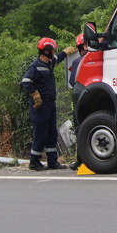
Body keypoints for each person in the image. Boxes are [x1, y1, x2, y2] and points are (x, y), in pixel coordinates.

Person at [21, 37, 76, 171]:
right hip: (40, 106)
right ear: (46, 51)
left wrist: (65, 52)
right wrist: (35, 95)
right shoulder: (35, 66)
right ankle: (34, 161)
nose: (54, 53)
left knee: (52, 132)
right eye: (53, 50)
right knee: (40, 133)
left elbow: (57, 58)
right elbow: (26, 81)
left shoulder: (48, 63)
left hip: (50, 104)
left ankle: (52, 161)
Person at [67, 33, 86, 171]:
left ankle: (81, 160)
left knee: (80, 129)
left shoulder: (77, 62)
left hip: (81, 102)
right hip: (98, 102)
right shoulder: (100, 59)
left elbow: (72, 82)